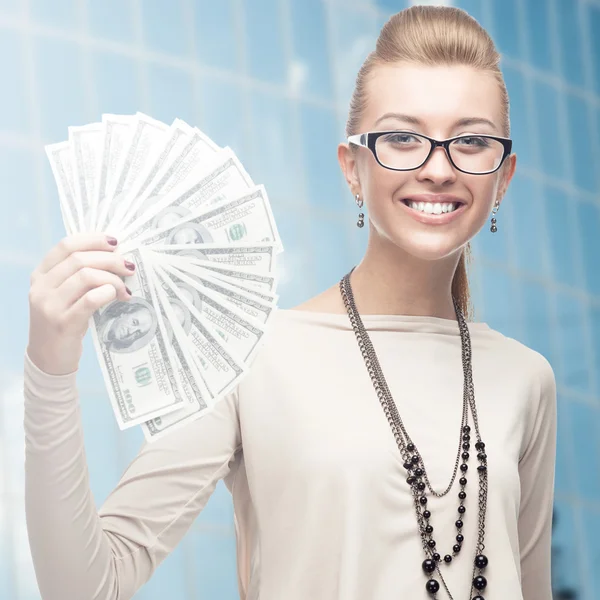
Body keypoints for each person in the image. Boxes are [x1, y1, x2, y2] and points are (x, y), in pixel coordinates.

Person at [23, 6, 556, 600]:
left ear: (503, 177)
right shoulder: (252, 355)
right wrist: (50, 365)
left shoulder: (527, 379)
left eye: (471, 141)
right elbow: (83, 587)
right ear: (351, 167)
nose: (437, 168)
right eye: (402, 138)